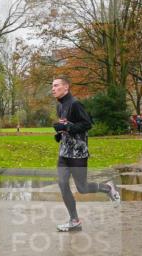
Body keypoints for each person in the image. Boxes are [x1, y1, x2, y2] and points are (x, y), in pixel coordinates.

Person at [51, 77, 120, 232]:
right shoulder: (60, 106)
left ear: (66, 87)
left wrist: (67, 128)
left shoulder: (75, 104)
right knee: (62, 184)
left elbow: (87, 124)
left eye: (56, 85)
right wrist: (60, 133)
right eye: (52, 86)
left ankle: (108, 188)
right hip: (64, 152)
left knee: (82, 188)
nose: (53, 89)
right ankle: (74, 220)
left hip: (78, 153)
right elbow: (67, 125)